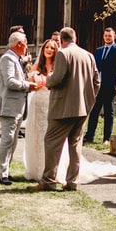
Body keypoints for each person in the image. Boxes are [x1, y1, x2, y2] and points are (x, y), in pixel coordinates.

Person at [29, 27, 98, 192]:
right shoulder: (88, 55)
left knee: (52, 142)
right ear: (75, 38)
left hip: (62, 107)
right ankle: (72, 181)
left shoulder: (63, 53)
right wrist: (88, 99)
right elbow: (97, 81)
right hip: (82, 107)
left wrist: (48, 81)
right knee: (75, 145)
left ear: (61, 40)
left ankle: (48, 181)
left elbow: (58, 78)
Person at [24, 38, 67, 182]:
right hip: (37, 102)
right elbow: (29, 85)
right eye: (47, 47)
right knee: (37, 135)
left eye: (52, 48)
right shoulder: (35, 67)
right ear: (43, 50)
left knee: (50, 136)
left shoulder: (58, 66)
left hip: (52, 102)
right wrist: (34, 85)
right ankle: (36, 169)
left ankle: (51, 170)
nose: (49, 50)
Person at [0, 31, 36, 185]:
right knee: (7, 140)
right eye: (25, 43)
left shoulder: (16, 59)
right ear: (19, 44)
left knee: (13, 142)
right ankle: (2, 174)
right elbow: (10, 81)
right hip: (9, 106)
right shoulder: (8, 58)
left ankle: (6, 171)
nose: (27, 46)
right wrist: (28, 85)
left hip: (17, 107)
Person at [85, 28, 116, 144]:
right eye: (106, 36)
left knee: (109, 112)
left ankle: (106, 138)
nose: (107, 37)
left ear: (114, 36)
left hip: (110, 85)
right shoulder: (99, 51)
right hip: (98, 85)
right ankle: (89, 136)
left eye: (110, 36)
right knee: (94, 110)